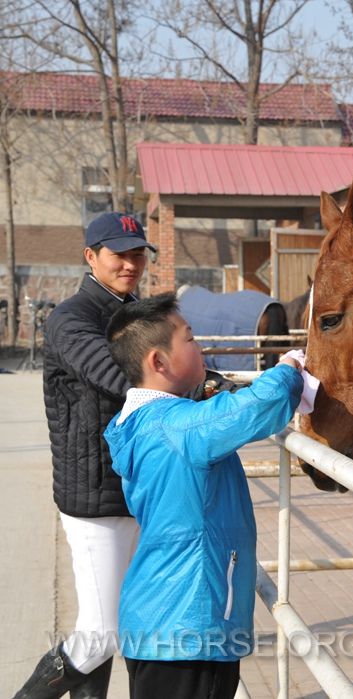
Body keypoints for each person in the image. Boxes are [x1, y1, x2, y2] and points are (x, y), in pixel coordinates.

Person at [13, 213, 236, 699]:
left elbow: (177, 357)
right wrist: (202, 395)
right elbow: (124, 381)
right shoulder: (71, 319)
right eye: (119, 253)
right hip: (95, 497)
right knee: (101, 633)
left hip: (140, 491)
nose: (131, 263)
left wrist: (212, 382)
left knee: (113, 622)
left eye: (138, 253)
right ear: (91, 257)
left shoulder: (139, 313)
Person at [103, 293, 307, 699]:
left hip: (154, 619)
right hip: (191, 626)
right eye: (191, 339)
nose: (201, 348)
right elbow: (257, 407)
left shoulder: (139, 422)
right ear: (158, 362)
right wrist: (290, 369)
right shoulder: (179, 428)